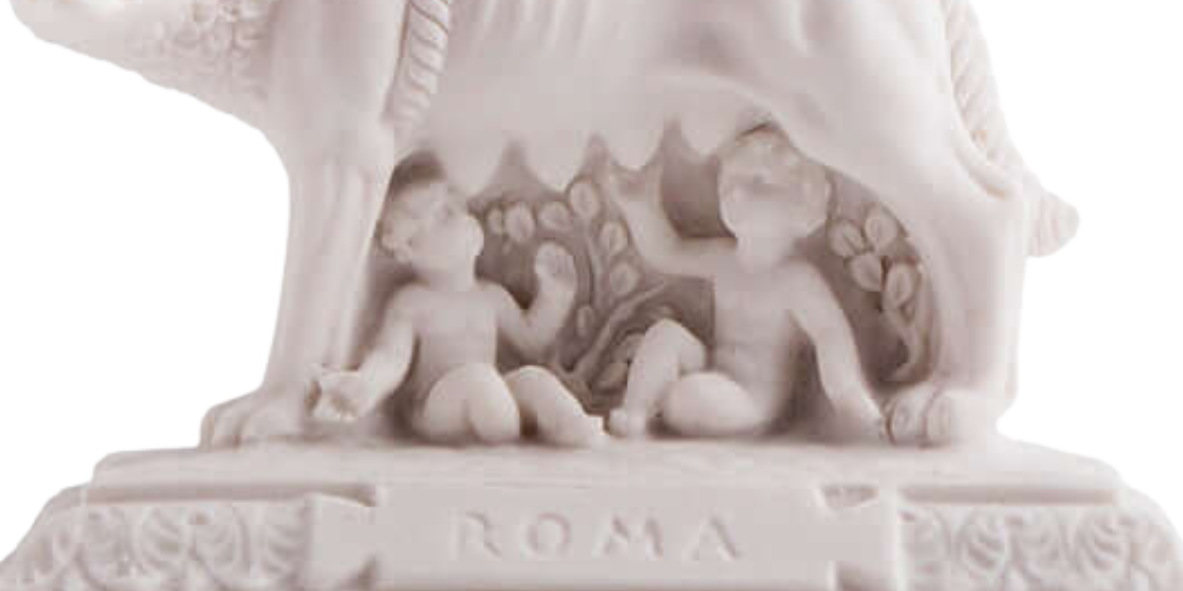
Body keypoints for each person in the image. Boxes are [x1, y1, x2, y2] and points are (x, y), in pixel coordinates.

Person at [605, 126, 883, 439]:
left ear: (802, 208)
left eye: (759, 182)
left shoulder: (795, 279)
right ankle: (635, 413)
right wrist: (640, 206)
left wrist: (849, 396)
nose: (736, 193)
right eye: (730, 182)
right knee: (665, 334)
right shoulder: (725, 258)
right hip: (713, 373)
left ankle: (677, 402)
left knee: (689, 396)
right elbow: (668, 253)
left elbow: (829, 335)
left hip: (750, 401)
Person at [314, 172, 601, 446]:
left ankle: (574, 428)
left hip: (489, 396)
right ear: (408, 250)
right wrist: (368, 383)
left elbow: (531, 341)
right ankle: (504, 443)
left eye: (457, 207)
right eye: (444, 215)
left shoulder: (491, 297)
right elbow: (391, 357)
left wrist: (555, 298)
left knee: (534, 380)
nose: (463, 218)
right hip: (437, 410)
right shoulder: (414, 301)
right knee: (479, 381)